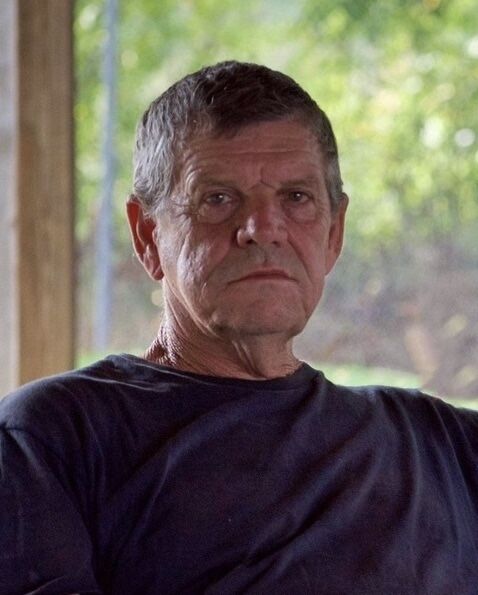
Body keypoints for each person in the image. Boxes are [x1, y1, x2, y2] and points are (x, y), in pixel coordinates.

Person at [1, 61, 477, 595]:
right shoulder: (51, 439)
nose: (263, 228)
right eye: (218, 199)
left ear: (334, 233)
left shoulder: (443, 448)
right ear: (148, 236)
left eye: (296, 198)